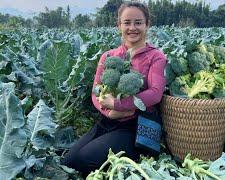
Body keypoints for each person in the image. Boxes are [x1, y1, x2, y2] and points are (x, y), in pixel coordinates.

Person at [61, 1, 167, 176]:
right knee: (69, 162)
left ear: (147, 24)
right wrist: (109, 111)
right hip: (107, 120)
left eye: (138, 22)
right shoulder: (108, 56)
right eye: (127, 22)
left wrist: (119, 104)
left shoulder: (156, 56)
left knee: (86, 160)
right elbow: (96, 91)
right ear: (119, 25)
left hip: (136, 127)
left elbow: (155, 94)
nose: (132, 27)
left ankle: (136, 158)